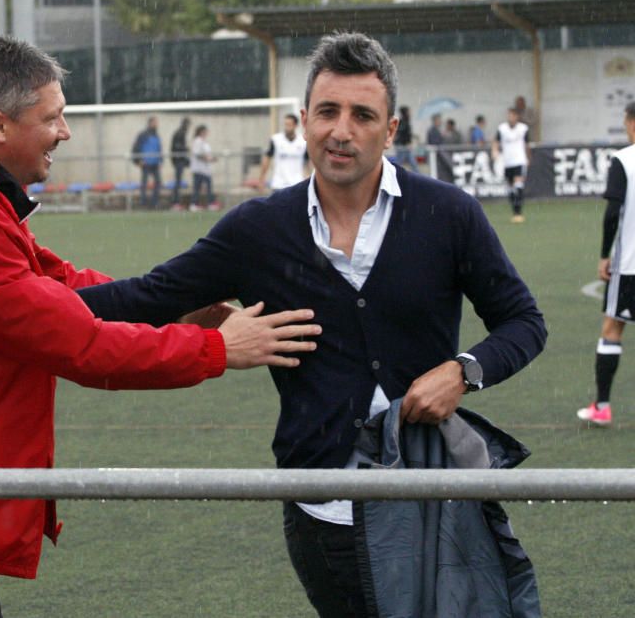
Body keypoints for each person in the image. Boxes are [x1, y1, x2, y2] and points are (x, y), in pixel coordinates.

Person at [0, 36, 319, 618]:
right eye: (53, 117)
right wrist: (216, 349)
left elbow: (53, 288)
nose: (65, 131)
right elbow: (80, 347)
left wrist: (169, 310)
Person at [77, 31, 547, 618]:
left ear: (392, 129)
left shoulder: (447, 213)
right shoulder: (258, 229)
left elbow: (524, 322)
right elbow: (147, 297)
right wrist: (22, 298)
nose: (341, 130)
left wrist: (463, 371)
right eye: (327, 111)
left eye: (362, 115)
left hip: (428, 500)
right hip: (321, 514)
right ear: (304, 121)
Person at [578, 101, 635, 427]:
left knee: (612, 330)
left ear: (631, 123)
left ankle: (601, 405)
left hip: (629, 266)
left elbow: (613, 212)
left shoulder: (624, 160)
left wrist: (604, 255)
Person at [493, 106, 531, 223]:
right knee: (510, 187)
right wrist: (494, 151)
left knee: (518, 184)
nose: (511, 117)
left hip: (519, 160)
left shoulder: (523, 129)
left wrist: (528, 158)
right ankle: (514, 211)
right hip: (507, 162)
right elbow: (496, 141)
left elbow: (527, 144)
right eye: (509, 115)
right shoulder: (502, 128)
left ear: (517, 116)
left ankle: (518, 212)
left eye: (513, 115)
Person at [258, 113, 308, 190]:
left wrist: (308, 178)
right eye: (285, 124)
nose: (286, 127)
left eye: (289, 125)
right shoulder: (276, 140)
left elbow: (309, 162)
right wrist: (261, 179)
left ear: (295, 125)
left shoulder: (303, 141)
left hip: (297, 184)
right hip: (278, 185)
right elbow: (267, 158)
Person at [132, 115, 162, 209]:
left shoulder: (156, 135)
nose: (156, 124)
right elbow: (136, 148)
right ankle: (143, 203)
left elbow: (159, 149)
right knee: (144, 183)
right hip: (146, 163)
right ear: (150, 123)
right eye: (155, 122)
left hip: (155, 163)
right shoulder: (143, 134)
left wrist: (160, 160)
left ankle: (154, 202)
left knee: (158, 182)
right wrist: (138, 160)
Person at [189, 124, 219, 211]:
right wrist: (209, 159)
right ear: (201, 132)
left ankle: (209, 203)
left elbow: (207, 154)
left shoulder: (204, 142)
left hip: (206, 170)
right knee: (197, 187)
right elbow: (198, 154)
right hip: (199, 169)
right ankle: (194, 204)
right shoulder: (198, 141)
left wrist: (212, 159)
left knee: (208, 186)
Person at [170, 117, 191, 209]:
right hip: (179, 160)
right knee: (178, 182)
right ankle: (175, 202)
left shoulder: (181, 132)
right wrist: (185, 149)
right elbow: (176, 147)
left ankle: (176, 202)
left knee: (178, 182)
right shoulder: (180, 133)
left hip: (179, 160)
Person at [392, 105, 418, 173]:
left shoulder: (403, 121)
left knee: (410, 163)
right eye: (409, 111)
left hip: (403, 146)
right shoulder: (404, 122)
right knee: (401, 163)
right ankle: (393, 174)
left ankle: (393, 174)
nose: (410, 113)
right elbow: (403, 134)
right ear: (405, 112)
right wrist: (407, 142)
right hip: (403, 146)